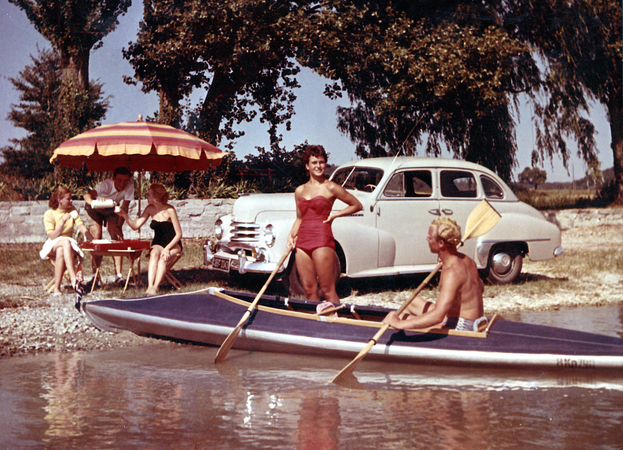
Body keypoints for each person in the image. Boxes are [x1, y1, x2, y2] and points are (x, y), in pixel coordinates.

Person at [287, 145, 363, 311]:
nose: (318, 166)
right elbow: (299, 218)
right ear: (307, 166)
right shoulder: (299, 190)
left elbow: (357, 205)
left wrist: (335, 215)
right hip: (302, 242)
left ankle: (337, 322)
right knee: (309, 290)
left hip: (322, 239)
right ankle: (316, 322)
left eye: (321, 162)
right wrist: (290, 236)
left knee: (328, 290)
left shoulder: (331, 187)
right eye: (314, 162)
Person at [383, 216, 486, 332]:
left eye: (430, 237)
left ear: (441, 243)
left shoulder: (452, 272)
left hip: (463, 326)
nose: (427, 239)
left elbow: (438, 316)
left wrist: (400, 324)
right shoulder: (463, 260)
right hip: (469, 319)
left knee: (401, 317)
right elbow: (479, 288)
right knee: (411, 302)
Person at [118, 183, 182, 295]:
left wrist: (167, 249)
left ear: (156, 197)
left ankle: (155, 287)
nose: (146, 196)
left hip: (173, 243)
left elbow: (179, 234)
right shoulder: (150, 209)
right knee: (154, 254)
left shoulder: (170, 210)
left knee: (163, 259)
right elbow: (135, 226)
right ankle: (150, 286)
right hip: (158, 242)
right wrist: (124, 215)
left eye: (148, 194)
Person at [83, 167, 134, 287]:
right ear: (113, 178)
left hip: (111, 209)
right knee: (97, 237)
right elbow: (87, 195)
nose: (123, 184)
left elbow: (124, 207)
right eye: (119, 180)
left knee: (116, 237)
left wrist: (118, 227)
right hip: (94, 209)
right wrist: (94, 202)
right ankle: (94, 276)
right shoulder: (106, 185)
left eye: (125, 180)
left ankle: (118, 277)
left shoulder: (130, 186)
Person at [40, 186, 93, 296]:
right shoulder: (49, 214)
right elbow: (52, 236)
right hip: (53, 243)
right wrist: (62, 222)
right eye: (68, 199)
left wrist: (93, 239)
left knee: (61, 250)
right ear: (60, 200)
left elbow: (81, 226)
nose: (71, 200)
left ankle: (57, 289)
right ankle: (73, 279)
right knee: (64, 243)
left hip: (67, 245)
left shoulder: (72, 210)